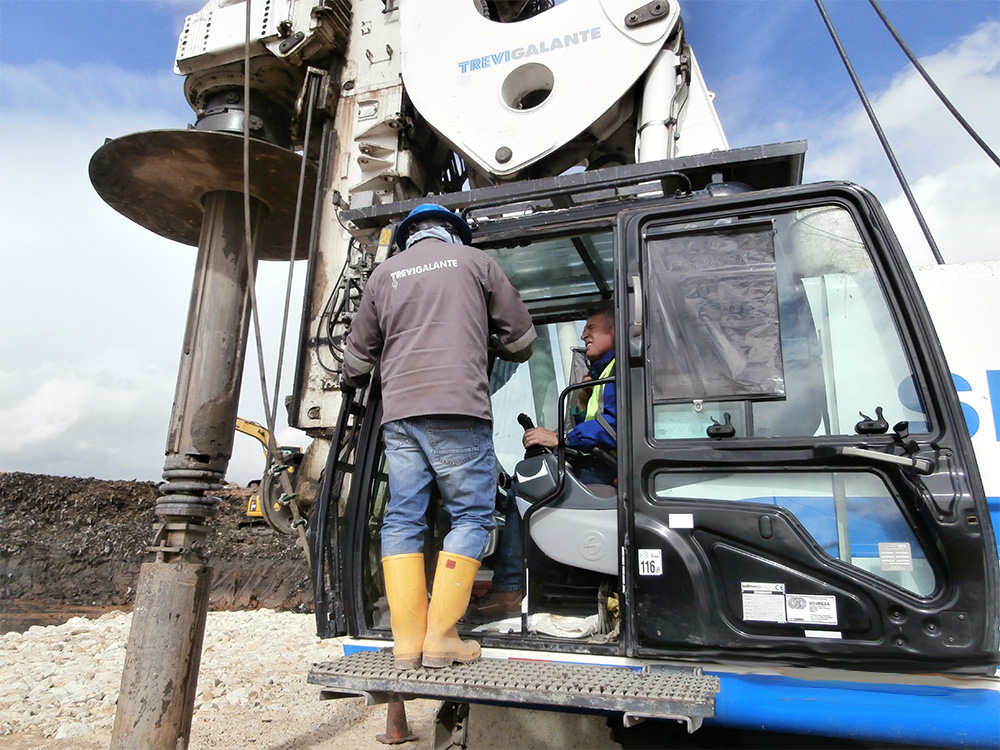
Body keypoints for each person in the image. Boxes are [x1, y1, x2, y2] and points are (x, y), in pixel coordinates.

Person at [341, 203, 536, 669]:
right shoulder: (476, 262)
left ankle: (407, 644)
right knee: (471, 517)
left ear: (409, 237)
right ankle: (442, 638)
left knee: (403, 519)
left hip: (400, 415)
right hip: (458, 409)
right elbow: (523, 342)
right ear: (454, 234)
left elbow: (356, 363)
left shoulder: (383, 275)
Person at [466, 303, 617, 622]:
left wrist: (560, 439)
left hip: (608, 473)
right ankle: (531, 583)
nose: (583, 333)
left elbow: (614, 428)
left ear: (614, 330)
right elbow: (598, 422)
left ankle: (509, 589)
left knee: (526, 486)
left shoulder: (620, 371)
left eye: (590, 327)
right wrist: (580, 404)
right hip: (600, 466)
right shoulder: (601, 375)